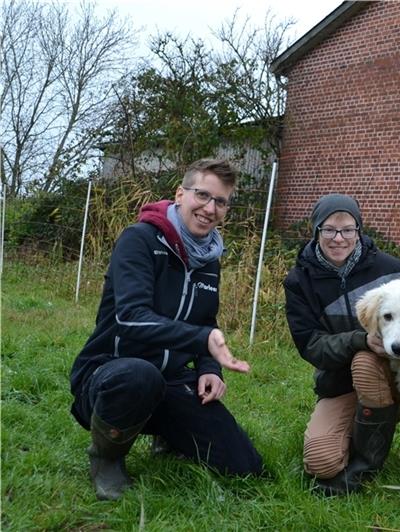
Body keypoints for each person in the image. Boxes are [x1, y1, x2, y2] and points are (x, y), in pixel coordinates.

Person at [69, 158, 263, 501]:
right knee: (139, 376)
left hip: (170, 379)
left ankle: (168, 435)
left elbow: (205, 321)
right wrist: (202, 340)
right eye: (202, 195)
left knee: (244, 466)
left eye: (220, 202)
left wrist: (209, 367)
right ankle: (107, 457)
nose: (210, 208)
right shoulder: (139, 239)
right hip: (112, 373)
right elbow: (130, 317)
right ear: (180, 194)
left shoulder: (209, 259)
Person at [283, 193, 400, 495]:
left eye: (348, 229)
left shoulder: (388, 268)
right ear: (316, 231)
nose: (339, 238)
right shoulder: (299, 281)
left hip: (396, 377)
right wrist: (361, 339)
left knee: (366, 362)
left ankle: (364, 468)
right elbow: (311, 346)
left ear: (359, 230)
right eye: (329, 229)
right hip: (339, 383)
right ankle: (355, 434)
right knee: (321, 462)